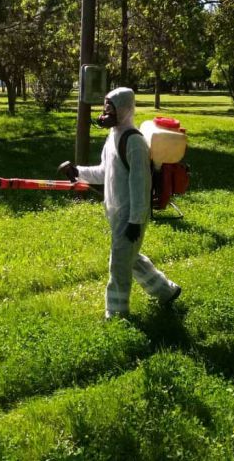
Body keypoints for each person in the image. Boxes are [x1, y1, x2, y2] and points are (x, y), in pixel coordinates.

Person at [58, 87, 181, 320]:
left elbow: (141, 185)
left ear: (124, 109)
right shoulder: (113, 136)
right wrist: (77, 172)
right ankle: (166, 291)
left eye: (110, 108)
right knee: (130, 258)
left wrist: (136, 220)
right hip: (116, 212)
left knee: (119, 263)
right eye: (105, 107)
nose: (105, 113)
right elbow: (104, 172)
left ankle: (116, 313)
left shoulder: (134, 141)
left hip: (131, 215)